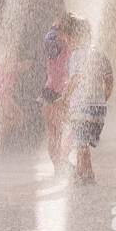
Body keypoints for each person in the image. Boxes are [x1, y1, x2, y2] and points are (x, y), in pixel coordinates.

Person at [61, 16, 113, 186]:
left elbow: (76, 78)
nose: (67, 43)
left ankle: (88, 179)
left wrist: (65, 97)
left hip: (82, 109)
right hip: (98, 111)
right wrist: (102, 99)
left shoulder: (77, 55)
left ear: (73, 37)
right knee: (82, 146)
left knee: (81, 148)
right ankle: (81, 175)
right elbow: (109, 80)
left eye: (67, 39)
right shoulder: (100, 53)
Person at [40, 13, 74, 171]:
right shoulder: (56, 45)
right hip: (59, 94)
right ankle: (60, 163)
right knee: (67, 130)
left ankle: (59, 166)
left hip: (51, 92)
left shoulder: (52, 44)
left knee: (55, 135)